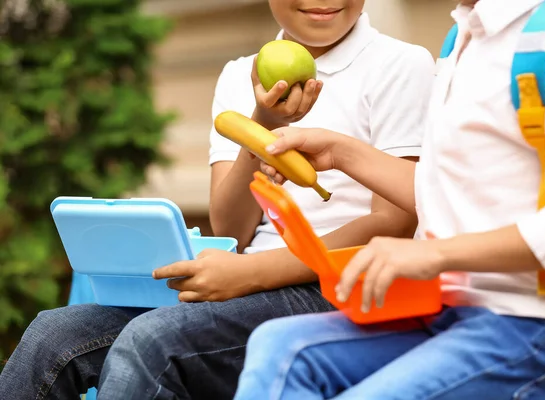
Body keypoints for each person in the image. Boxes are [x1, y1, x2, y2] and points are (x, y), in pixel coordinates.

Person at [0, 1, 435, 399]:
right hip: (244, 277)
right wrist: (261, 122)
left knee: (150, 342)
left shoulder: (401, 64)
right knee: (52, 334)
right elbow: (231, 228)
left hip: (337, 285)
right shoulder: (239, 75)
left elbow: (396, 222)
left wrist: (254, 272)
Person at [232, 0, 545, 399]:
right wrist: (340, 152)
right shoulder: (462, 37)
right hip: (446, 309)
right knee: (279, 348)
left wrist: (433, 255)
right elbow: (446, 194)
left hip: (540, 324)